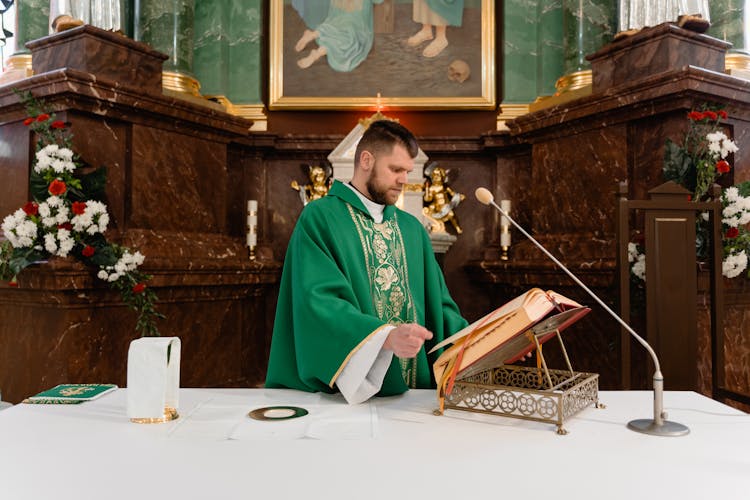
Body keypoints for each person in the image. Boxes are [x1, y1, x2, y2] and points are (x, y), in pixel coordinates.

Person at [266, 120, 468, 404]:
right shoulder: (320, 218)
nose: (403, 180)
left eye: (407, 172)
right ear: (366, 160)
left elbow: (440, 308)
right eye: (395, 170)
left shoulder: (412, 229)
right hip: (343, 399)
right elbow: (318, 303)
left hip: (411, 398)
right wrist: (385, 338)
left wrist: (487, 343)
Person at [295, 0, 383, 71]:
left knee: (336, 31)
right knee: (350, 42)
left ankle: (314, 37)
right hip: (354, 24)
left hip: (341, 21)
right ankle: (316, 53)